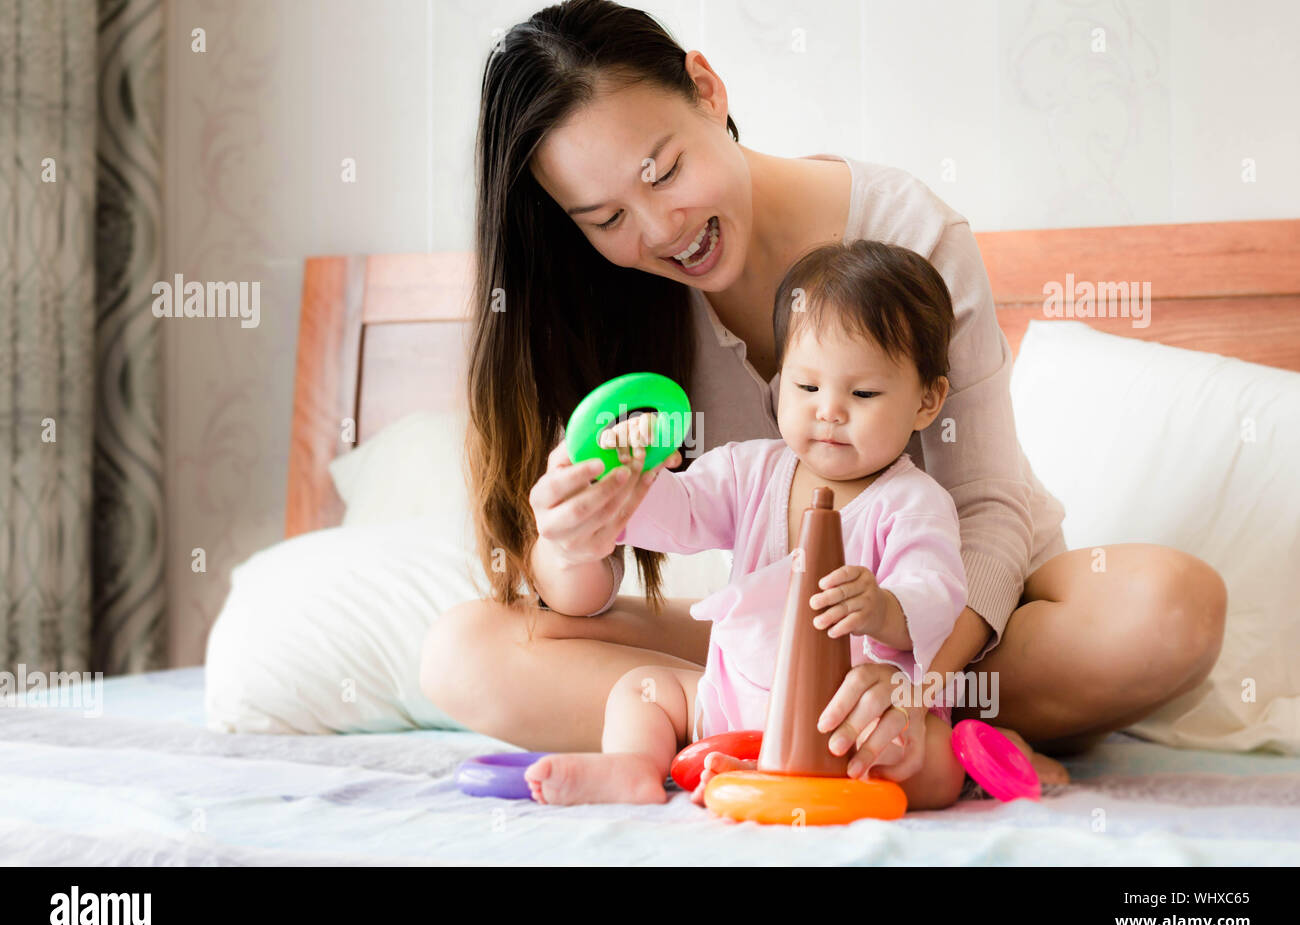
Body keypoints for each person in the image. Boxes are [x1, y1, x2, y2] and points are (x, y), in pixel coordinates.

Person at [421, 0, 1227, 786]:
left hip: (972, 626)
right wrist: (575, 531)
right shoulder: (607, 294)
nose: (660, 230)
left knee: (1167, 608)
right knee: (465, 653)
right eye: (605, 218)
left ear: (708, 90)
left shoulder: (908, 231)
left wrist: (917, 688)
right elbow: (589, 591)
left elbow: (988, 508)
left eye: (663, 172)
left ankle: (910, 726)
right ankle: (818, 726)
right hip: (778, 640)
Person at [525, 240, 1061, 809]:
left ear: (927, 402)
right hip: (733, 705)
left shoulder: (914, 502)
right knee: (641, 692)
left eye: (863, 392)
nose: (828, 410)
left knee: (925, 765)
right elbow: (677, 516)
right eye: (807, 387)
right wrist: (629, 477)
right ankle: (632, 769)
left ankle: (986, 753)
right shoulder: (748, 468)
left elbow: (938, 596)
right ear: (780, 384)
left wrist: (884, 608)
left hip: (848, 720)